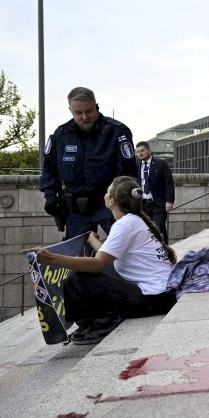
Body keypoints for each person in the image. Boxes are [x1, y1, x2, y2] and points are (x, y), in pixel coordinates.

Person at [24, 176, 177, 345]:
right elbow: (108, 255)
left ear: (111, 200)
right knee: (94, 271)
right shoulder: (134, 220)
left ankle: (103, 323)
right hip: (163, 295)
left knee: (77, 280)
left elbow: (98, 264)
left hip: (152, 300)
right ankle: (91, 320)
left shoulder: (124, 225)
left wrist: (51, 258)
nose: (104, 193)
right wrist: (92, 240)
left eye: (107, 190)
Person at [39, 87, 139, 238]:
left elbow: (127, 172)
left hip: (110, 204)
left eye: (89, 111)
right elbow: (49, 169)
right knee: (76, 256)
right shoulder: (61, 135)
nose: (85, 117)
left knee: (125, 250)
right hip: (76, 209)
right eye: (78, 113)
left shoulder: (117, 132)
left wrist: (122, 202)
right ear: (70, 110)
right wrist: (50, 196)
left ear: (96, 106)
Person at [135, 141, 175, 244]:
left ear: (149, 150)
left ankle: (165, 251)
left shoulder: (160, 164)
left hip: (158, 204)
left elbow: (169, 182)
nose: (140, 153)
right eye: (138, 151)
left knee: (159, 227)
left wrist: (169, 201)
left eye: (142, 150)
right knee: (145, 230)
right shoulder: (136, 165)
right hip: (142, 205)